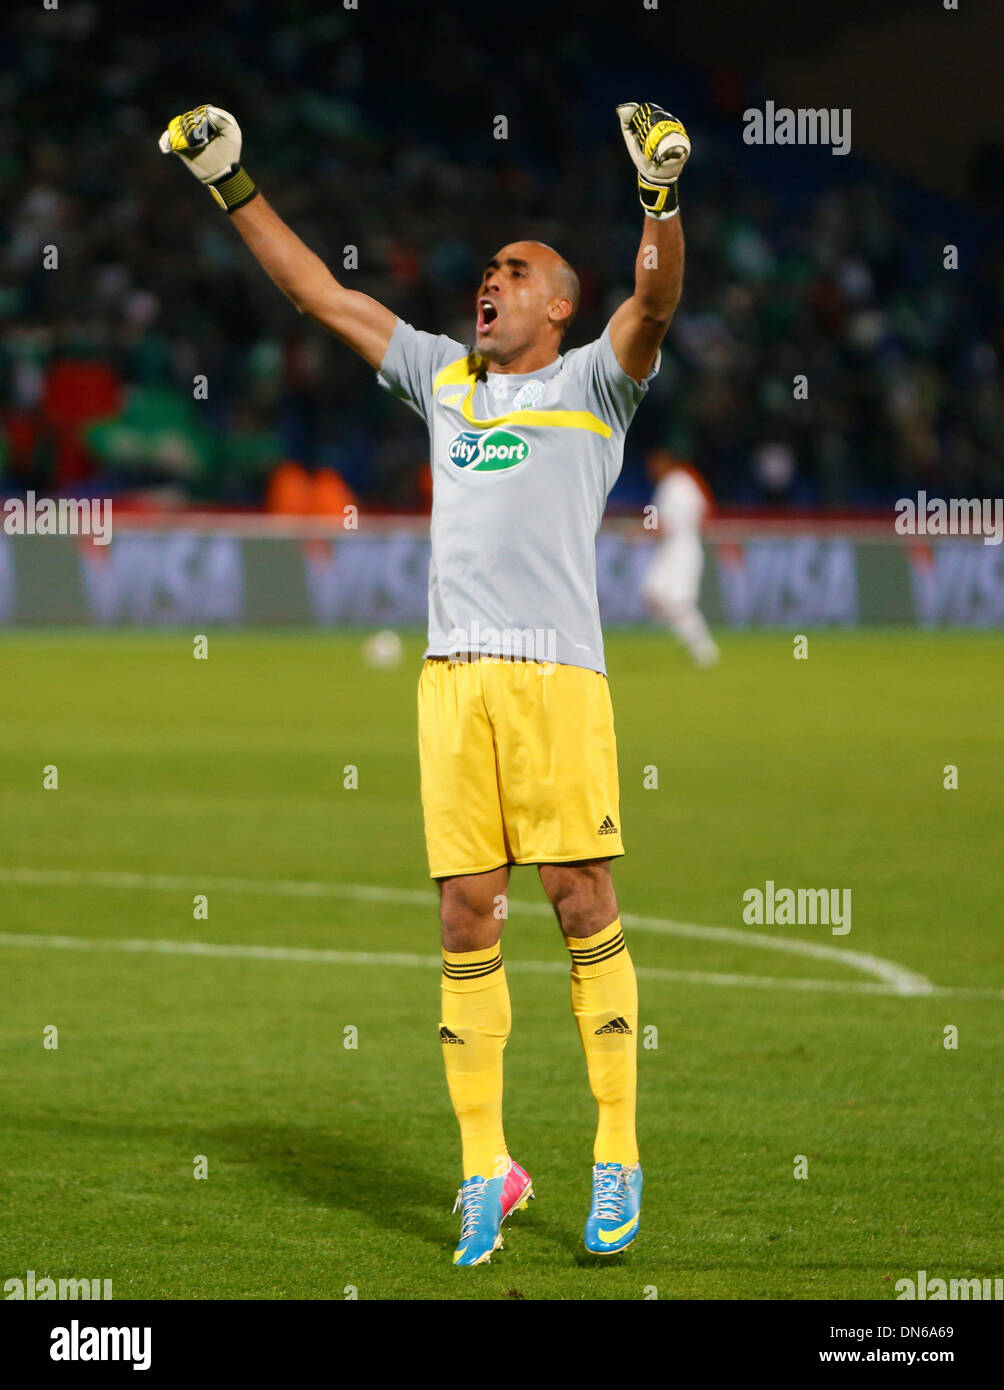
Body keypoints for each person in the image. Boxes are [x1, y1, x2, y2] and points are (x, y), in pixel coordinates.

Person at [160, 99, 690, 1265]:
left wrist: (657, 194)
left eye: (516, 271)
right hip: (452, 686)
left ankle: (615, 1152)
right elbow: (319, 295)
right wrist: (231, 181)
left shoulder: (598, 381)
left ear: (559, 304)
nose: (488, 282)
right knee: (464, 916)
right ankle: (481, 1170)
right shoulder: (444, 378)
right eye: (486, 270)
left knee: (579, 896)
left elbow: (654, 298)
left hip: (555, 679)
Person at [642, 449, 720, 666]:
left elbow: (663, 525)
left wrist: (639, 532)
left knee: (678, 602)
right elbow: (703, 510)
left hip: (681, 548)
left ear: (665, 462)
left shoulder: (672, 485)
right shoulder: (686, 481)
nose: (651, 470)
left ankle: (704, 650)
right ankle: (691, 640)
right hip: (677, 547)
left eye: (655, 464)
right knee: (655, 593)